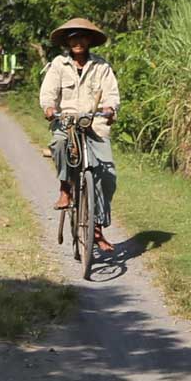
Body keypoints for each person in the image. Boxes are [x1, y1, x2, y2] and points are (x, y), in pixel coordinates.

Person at [39, 18, 120, 253]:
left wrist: (110, 108)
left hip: (95, 124)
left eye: (83, 37)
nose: (78, 42)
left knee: (107, 176)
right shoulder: (58, 64)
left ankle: (97, 229)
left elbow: (112, 95)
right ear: (67, 41)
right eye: (74, 38)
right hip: (66, 122)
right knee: (59, 144)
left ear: (90, 41)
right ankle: (65, 188)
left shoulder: (101, 67)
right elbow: (48, 92)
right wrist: (49, 108)